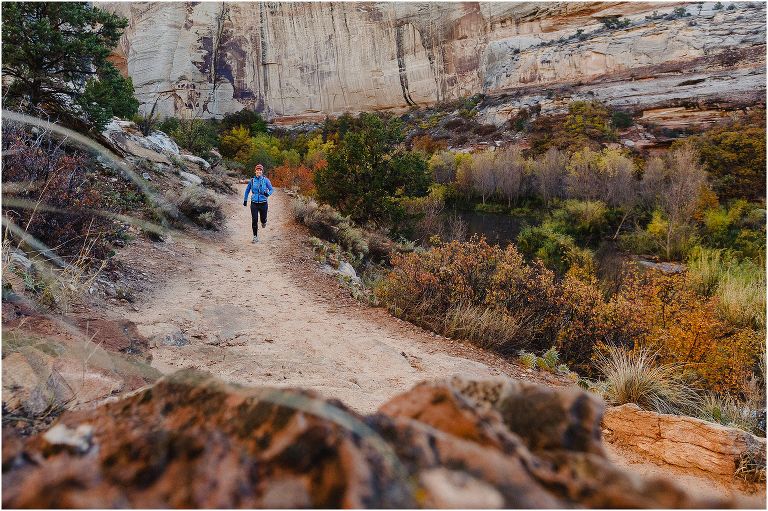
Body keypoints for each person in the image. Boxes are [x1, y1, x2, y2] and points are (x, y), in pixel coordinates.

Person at [243, 163, 274, 243]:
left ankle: (263, 222)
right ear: (255, 171)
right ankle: (255, 237)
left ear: (262, 171)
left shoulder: (266, 180)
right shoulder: (252, 181)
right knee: (254, 220)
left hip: (263, 203)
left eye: (260, 170)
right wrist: (245, 200)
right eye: (257, 170)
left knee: (263, 219)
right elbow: (247, 190)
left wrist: (268, 194)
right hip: (254, 203)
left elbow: (271, 189)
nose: (259, 171)